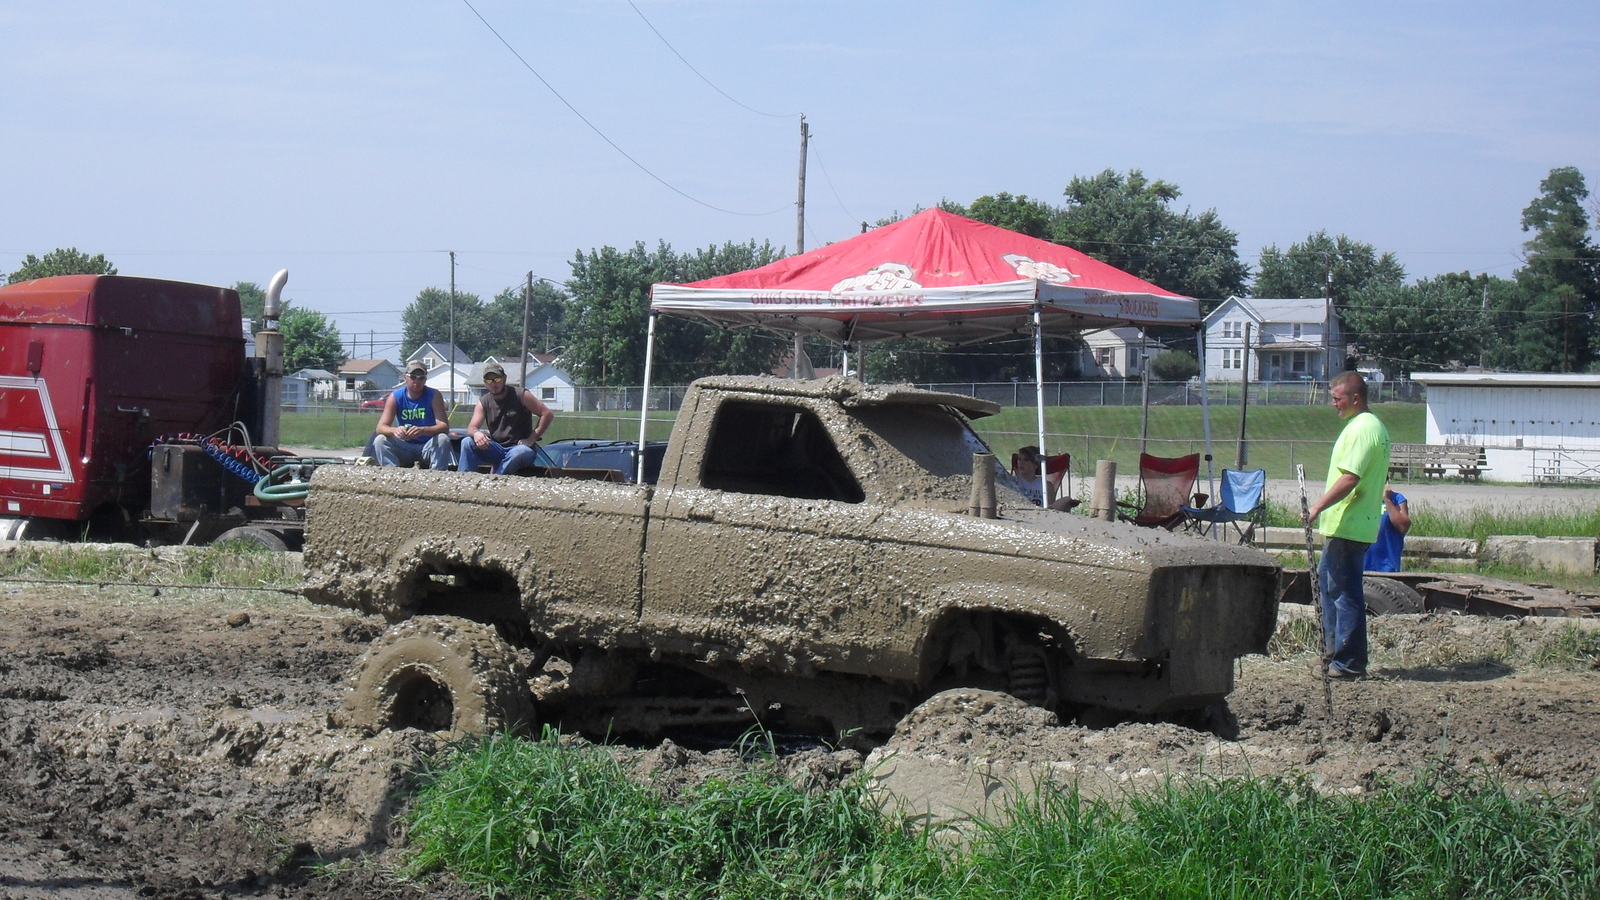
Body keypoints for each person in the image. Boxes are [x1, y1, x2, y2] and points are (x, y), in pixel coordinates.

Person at [1305, 371, 1391, 679]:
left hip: (1349, 525)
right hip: (1346, 525)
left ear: (1356, 398)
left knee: (1344, 594)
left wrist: (1316, 506)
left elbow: (1350, 478)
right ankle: (1332, 655)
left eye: (1337, 399)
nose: (1334, 405)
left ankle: (1348, 663)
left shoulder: (1363, 429)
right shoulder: (1366, 427)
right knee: (1331, 591)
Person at [457, 361, 555, 475]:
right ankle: (464, 482)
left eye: (497, 379)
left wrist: (532, 438)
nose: (493, 384)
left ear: (504, 378)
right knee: (467, 442)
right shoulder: (483, 402)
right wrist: (476, 433)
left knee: (519, 452)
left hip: (520, 449)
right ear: (485, 384)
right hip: (497, 449)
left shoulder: (521, 395)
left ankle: (496, 480)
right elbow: (471, 427)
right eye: (489, 381)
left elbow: (547, 414)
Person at [372, 362, 453, 470]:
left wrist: (423, 430)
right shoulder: (395, 396)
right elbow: (380, 427)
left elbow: (444, 427)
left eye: (421, 378)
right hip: (404, 447)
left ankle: (436, 477)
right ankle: (392, 475)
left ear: (425, 379)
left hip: (427, 447)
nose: (417, 381)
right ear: (405, 377)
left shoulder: (434, 395)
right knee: (380, 440)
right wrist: (395, 430)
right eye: (413, 377)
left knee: (443, 439)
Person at [1363, 484, 1411, 572]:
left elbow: (1403, 527)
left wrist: (1387, 500)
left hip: (1387, 567)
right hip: (1362, 565)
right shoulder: (1362, 498)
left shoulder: (1397, 499)